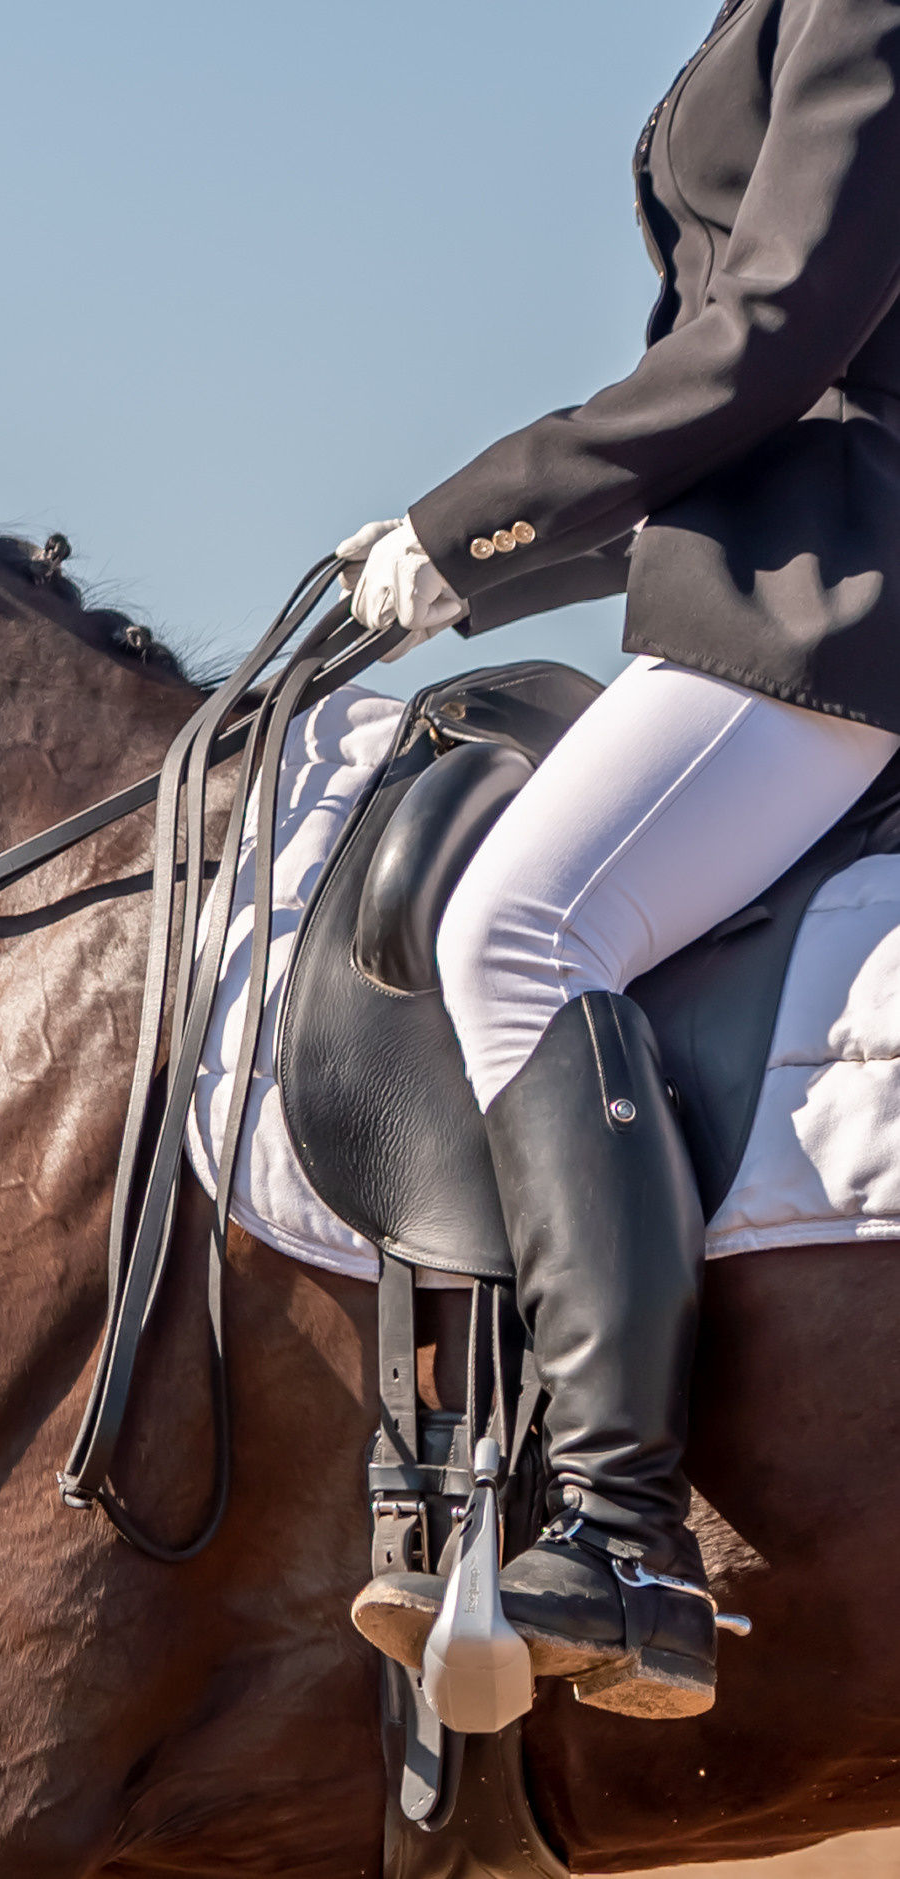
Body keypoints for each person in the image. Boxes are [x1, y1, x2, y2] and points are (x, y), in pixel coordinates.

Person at [341, 0, 900, 1720]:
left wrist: (477, 515)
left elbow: (782, 333)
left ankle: (621, 1529)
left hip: (837, 594)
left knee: (518, 926)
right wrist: (471, 566)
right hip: (764, 562)